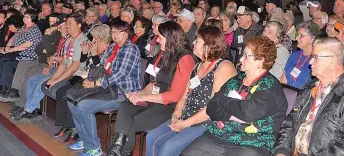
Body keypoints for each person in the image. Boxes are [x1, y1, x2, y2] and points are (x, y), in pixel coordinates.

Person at [182, 36, 288, 156]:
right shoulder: (236, 81)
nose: (241, 59)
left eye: (247, 56)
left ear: (261, 60)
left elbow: (248, 113)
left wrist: (224, 103)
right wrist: (234, 113)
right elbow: (211, 108)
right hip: (218, 135)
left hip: (251, 143)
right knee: (188, 153)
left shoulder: (270, 87)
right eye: (243, 54)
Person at [107, 21, 196, 156]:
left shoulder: (185, 59)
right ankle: (117, 150)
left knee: (129, 123)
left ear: (171, 38)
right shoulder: (163, 53)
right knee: (126, 106)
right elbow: (153, 82)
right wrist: (138, 94)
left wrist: (144, 97)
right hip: (154, 100)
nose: (157, 40)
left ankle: (120, 152)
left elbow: (175, 96)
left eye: (160, 37)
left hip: (170, 107)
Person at [146, 26, 237, 156]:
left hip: (205, 123)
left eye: (197, 41)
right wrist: (176, 115)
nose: (193, 43)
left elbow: (213, 107)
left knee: (168, 147)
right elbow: (184, 97)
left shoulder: (223, 67)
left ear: (209, 45)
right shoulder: (197, 66)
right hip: (186, 116)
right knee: (151, 137)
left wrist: (185, 124)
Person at [67, 20, 142, 156]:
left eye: (117, 32)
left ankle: (94, 148)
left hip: (123, 93)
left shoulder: (130, 49)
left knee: (83, 106)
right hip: (108, 88)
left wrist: (96, 83)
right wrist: (91, 78)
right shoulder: (114, 47)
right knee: (72, 99)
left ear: (126, 33)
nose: (113, 35)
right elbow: (101, 66)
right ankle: (85, 140)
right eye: (112, 32)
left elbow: (120, 75)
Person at [273, 38, 344, 156]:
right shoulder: (311, 88)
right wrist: (281, 151)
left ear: (331, 61)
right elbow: (290, 122)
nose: (310, 62)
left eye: (315, 57)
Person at [11, 13, 87, 122]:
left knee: (42, 84)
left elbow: (73, 68)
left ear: (79, 25)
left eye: (70, 24)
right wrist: (53, 77)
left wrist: (55, 80)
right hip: (61, 71)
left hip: (74, 76)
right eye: (67, 24)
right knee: (32, 80)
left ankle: (28, 109)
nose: (67, 26)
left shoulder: (81, 42)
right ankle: (34, 109)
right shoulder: (70, 41)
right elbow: (64, 63)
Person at [53, 24, 112, 144]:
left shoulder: (108, 49)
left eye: (96, 38)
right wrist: (85, 53)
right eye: (93, 37)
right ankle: (66, 125)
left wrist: (95, 54)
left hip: (96, 82)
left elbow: (101, 70)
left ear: (103, 38)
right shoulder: (94, 46)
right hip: (85, 77)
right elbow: (85, 64)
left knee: (69, 94)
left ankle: (75, 130)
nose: (93, 40)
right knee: (61, 92)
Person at [0, 10, 43, 98]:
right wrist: (7, 48)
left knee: (13, 63)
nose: (24, 19)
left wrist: (12, 49)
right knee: (3, 62)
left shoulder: (34, 30)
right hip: (19, 55)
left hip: (30, 58)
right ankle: (5, 88)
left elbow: (27, 45)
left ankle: (14, 91)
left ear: (33, 19)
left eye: (27, 17)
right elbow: (13, 38)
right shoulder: (23, 28)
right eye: (24, 17)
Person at [280, 21, 321, 90]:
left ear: (312, 39)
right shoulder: (294, 55)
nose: (296, 38)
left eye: (301, 36)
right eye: (297, 35)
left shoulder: (317, 59)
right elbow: (283, 80)